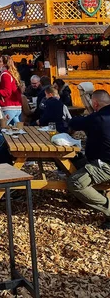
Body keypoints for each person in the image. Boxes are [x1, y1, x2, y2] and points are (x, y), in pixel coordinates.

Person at [68, 90, 110, 230]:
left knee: (75, 182)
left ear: (95, 103)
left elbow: (74, 122)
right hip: (101, 159)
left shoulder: (97, 117)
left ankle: (108, 208)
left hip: (106, 164)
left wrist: (90, 113)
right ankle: (84, 198)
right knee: (76, 160)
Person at [0, 55, 22, 125]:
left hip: (8, 107)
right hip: (16, 107)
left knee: (2, 130)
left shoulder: (5, 75)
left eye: (0, 62)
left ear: (5, 64)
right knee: (18, 130)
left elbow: (7, 92)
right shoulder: (12, 74)